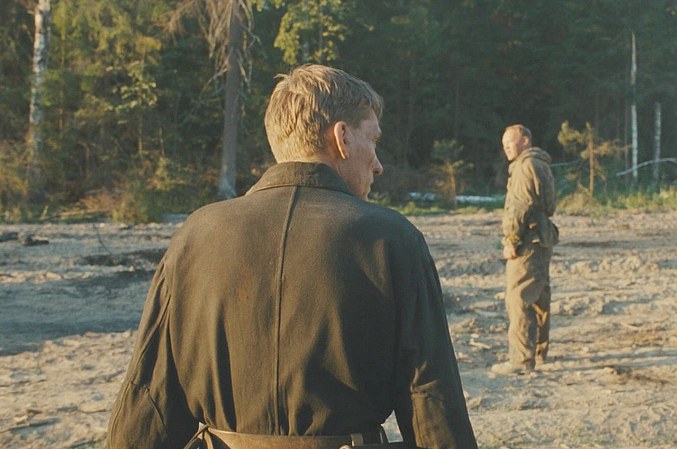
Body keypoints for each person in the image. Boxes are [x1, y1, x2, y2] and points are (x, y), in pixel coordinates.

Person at [107, 64, 478, 449]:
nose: (378, 163)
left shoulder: (196, 235)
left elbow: (151, 398)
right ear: (342, 137)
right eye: (374, 140)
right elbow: (431, 399)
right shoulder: (391, 238)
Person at [491, 125, 558, 375]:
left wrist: (511, 240)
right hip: (541, 238)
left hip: (528, 240)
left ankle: (520, 360)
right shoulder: (540, 164)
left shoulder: (525, 166)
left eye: (510, 142)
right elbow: (549, 205)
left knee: (518, 298)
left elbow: (520, 207)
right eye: (504, 144)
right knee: (539, 296)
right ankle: (539, 352)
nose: (506, 148)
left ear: (525, 140)